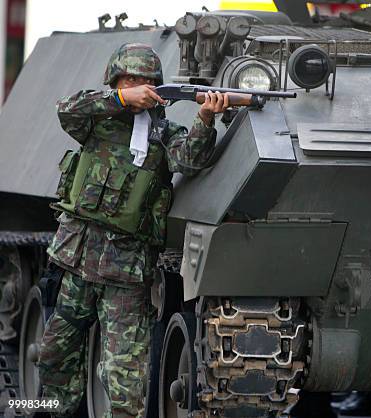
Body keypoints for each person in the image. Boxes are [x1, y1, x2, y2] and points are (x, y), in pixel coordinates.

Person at [36, 43, 229, 418]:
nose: (141, 84)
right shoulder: (97, 121)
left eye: (147, 80)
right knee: (53, 356)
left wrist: (206, 117)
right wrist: (121, 99)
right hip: (78, 262)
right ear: (116, 80)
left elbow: (190, 159)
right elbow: (66, 108)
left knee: (124, 377)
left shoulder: (163, 133)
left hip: (125, 273)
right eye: (131, 78)